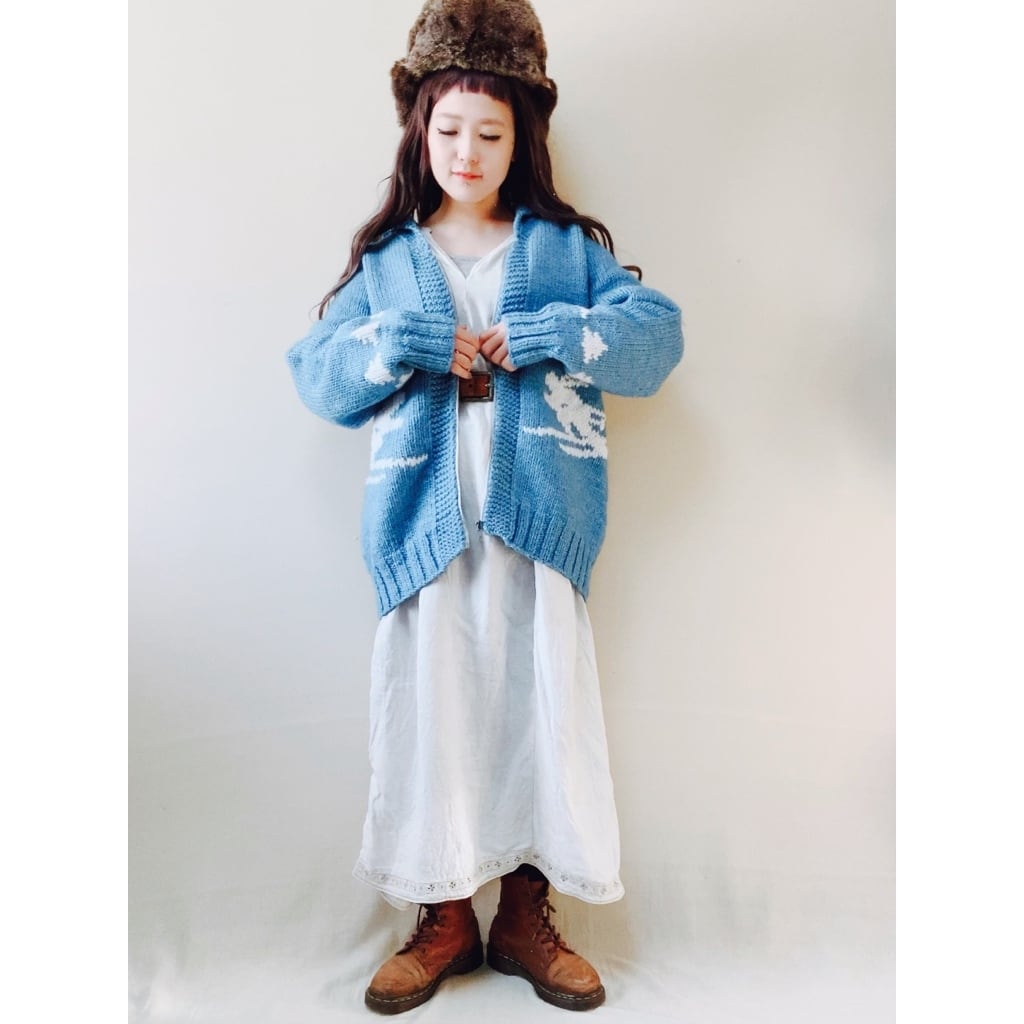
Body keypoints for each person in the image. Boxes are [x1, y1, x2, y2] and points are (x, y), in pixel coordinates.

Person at [287, 0, 683, 1013]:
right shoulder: (391, 260)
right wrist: (405, 342)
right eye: (449, 129)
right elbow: (319, 375)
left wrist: (552, 330)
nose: (467, 152)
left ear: (524, 139)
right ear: (419, 132)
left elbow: (655, 340)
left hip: (538, 528)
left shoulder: (563, 249)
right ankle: (442, 914)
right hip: (425, 530)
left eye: (491, 133)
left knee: (537, 709)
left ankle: (525, 917)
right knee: (435, 712)